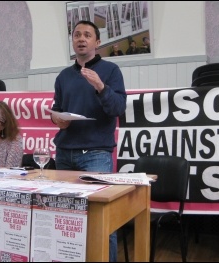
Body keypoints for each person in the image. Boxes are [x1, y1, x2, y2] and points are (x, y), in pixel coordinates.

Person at [50, 20, 126, 262]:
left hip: (96, 154)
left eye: (87, 35)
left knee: (102, 218)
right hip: (64, 153)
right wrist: (58, 120)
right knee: (66, 219)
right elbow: (58, 109)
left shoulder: (111, 70)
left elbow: (117, 109)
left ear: (97, 42)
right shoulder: (63, 76)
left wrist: (101, 87)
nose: (81, 38)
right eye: (76, 35)